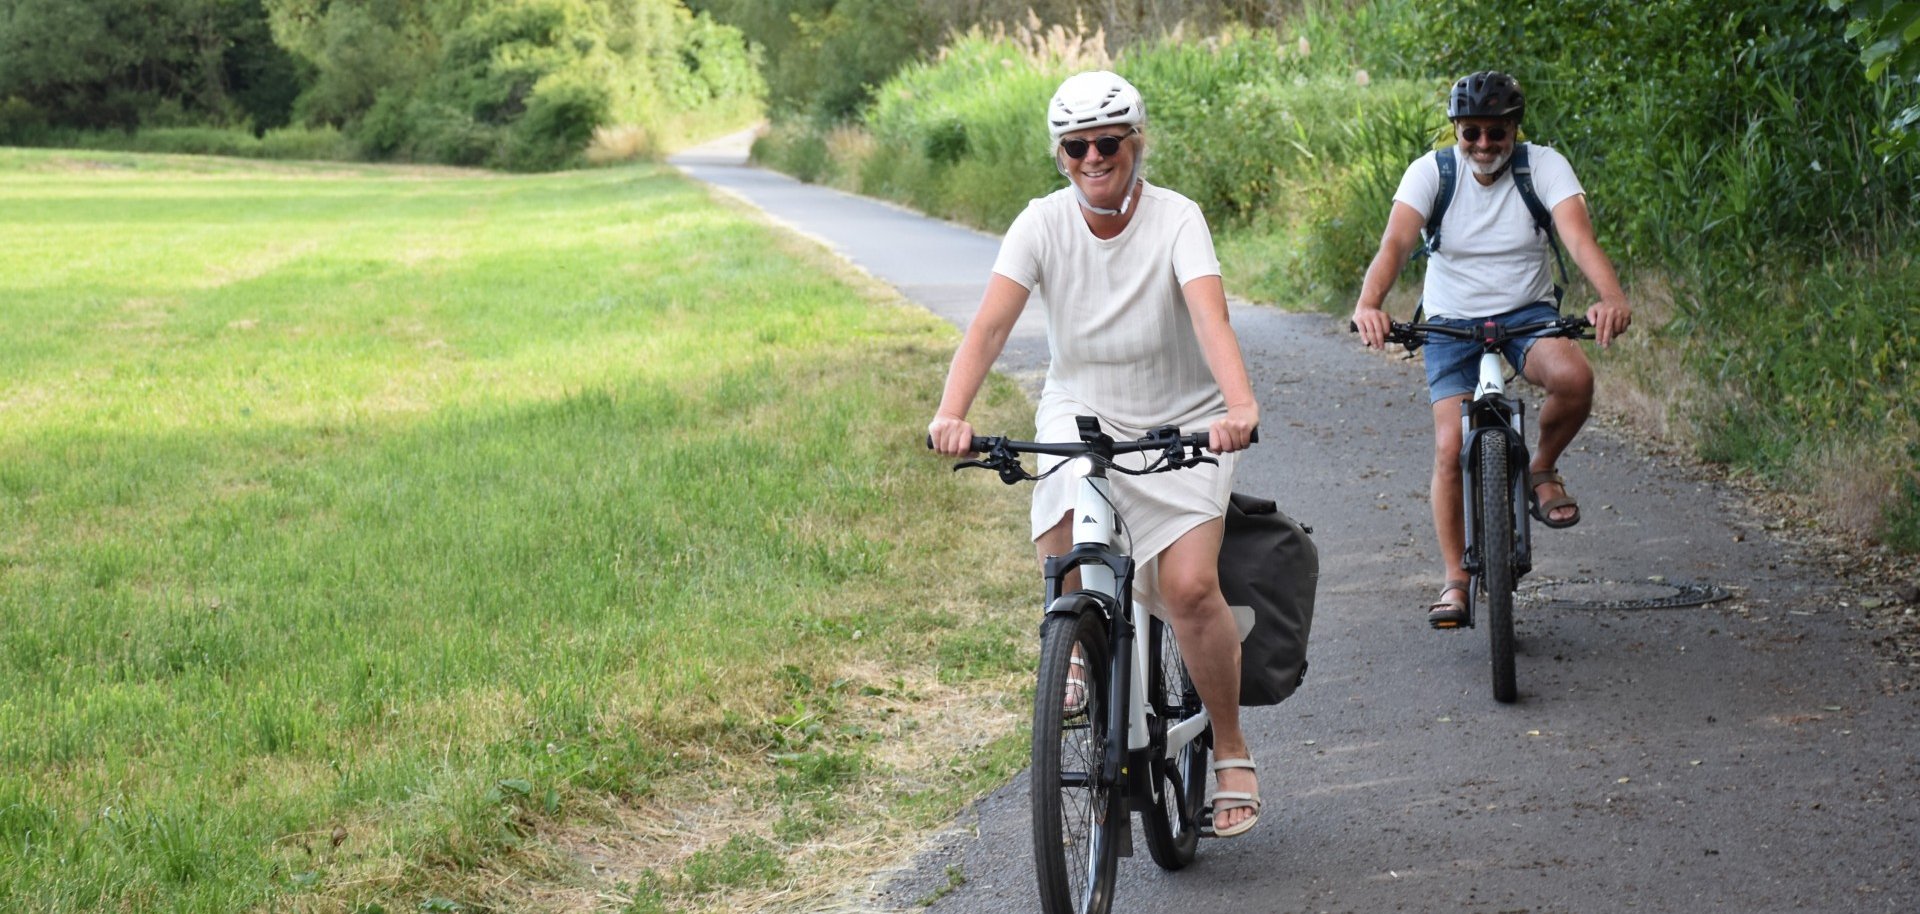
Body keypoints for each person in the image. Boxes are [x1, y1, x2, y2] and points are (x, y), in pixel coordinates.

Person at [927, 70, 1264, 837]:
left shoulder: (1178, 219)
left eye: (1107, 142)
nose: (1092, 157)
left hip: (1183, 417)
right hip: (1082, 410)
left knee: (1187, 588)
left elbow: (1212, 320)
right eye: (1075, 146)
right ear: (1060, 155)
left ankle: (1233, 750)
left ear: (1135, 144)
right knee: (1063, 541)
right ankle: (1075, 645)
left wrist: (1238, 406)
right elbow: (988, 327)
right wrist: (952, 412)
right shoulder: (1041, 224)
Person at [1350, 70, 1632, 628]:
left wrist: (1611, 296)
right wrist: (1369, 303)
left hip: (1527, 315)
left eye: (1495, 132)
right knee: (1450, 446)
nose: (1483, 144)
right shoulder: (1432, 172)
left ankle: (1541, 468)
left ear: (1514, 128)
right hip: (1452, 322)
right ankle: (1456, 579)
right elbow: (1397, 243)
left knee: (1575, 380)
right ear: (1456, 130)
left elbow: (1577, 238)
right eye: (1471, 132)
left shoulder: (1543, 166)